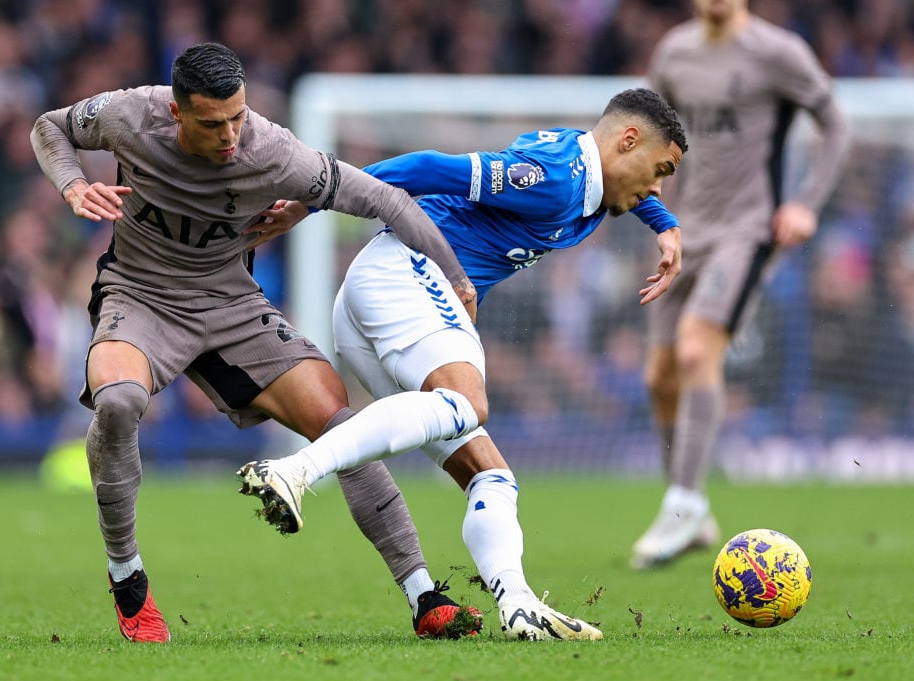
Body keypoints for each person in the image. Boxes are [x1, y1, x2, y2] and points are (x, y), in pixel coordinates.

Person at [29, 42, 484, 643]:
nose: (230, 137)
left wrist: (456, 278)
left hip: (232, 306)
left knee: (339, 423)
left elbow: (387, 200)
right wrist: (70, 184)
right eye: (213, 123)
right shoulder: (127, 115)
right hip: (141, 296)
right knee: (116, 403)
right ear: (176, 112)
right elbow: (50, 127)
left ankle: (424, 595)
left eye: (238, 117)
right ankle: (127, 577)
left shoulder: (273, 151)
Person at [238, 88, 687, 641]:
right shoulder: (553, 178)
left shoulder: (592, 172)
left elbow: (626, 185)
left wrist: (664, 223)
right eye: (661, 171)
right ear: (629, 140)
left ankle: (519, 606)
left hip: (374, 294)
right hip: (408, 271)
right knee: (467, 403)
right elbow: (425, 167)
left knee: (491, 476)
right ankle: (295, 470)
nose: (657, 187)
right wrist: (310, 203)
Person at [630, 0, 851, 569]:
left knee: (697, 349)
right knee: (659, 376)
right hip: (686, 229)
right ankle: (694, 510)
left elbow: (835, 124)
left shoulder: (778, 52)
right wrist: (658, 216)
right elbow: (651, 138)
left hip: (748, 228)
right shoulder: (675, 53)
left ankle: (679, 507)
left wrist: (805, 204)